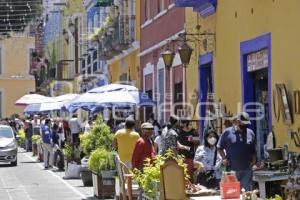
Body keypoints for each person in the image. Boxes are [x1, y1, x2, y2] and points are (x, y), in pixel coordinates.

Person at [217, 112, 256, 191]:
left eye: (247, 124)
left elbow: (253, 149)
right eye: (244, 123)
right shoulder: (227, 132)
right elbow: (219, 148)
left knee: (245, 193)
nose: (246, 126)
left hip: (246, 170)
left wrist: (254, 160)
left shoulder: (250, 133)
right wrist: (224, 158)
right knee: (233, 193)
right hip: (232, 170)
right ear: (238, 122)